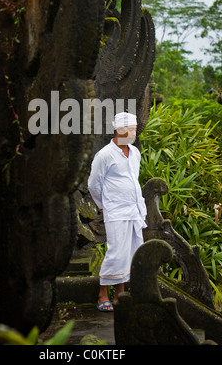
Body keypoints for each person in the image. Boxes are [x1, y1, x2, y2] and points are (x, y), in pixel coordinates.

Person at [88, 112, 147, 312]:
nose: (133, 133)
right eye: (130, 130)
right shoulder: (105, 154)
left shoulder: (135, 152)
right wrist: (104, 205)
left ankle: (120, 295)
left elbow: (133, 180)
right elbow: (94, 184)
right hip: (115, 209)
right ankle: (102, 294)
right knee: (115, 252)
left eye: (134, 129)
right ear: (118, 130)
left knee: (129, 252)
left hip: (134, 209)